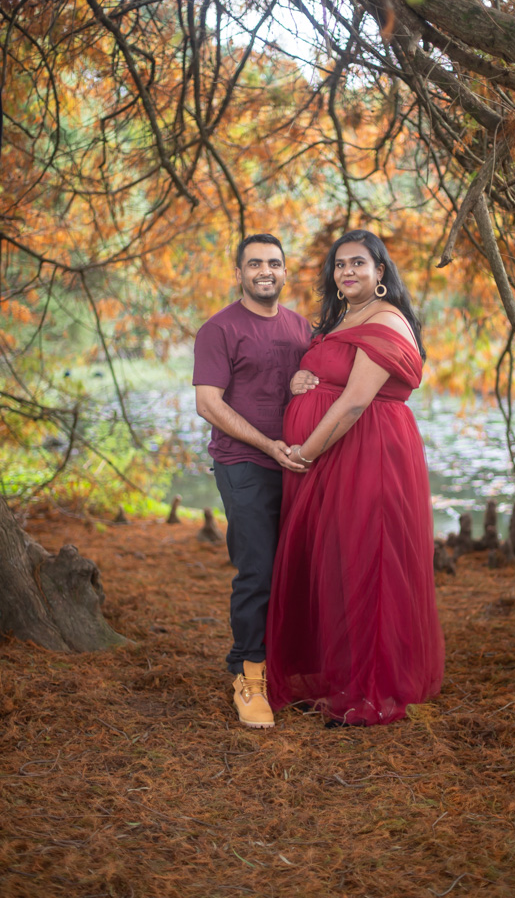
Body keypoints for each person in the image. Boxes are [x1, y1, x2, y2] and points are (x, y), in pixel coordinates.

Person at [265, 229, 445, 726]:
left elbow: (354, 401)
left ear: (379, 271)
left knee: (370, 562)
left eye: (358, 263)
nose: (347, 271)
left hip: (368, 452)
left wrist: (304, 453)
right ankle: (342, 678)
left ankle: (374, 691)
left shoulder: (385, 319)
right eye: (340, 264)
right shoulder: (343, 317)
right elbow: (330, 376)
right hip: (335, 457)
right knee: (338, 563)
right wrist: (300, 379)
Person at [193, 234, 312, 729]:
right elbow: (208, 403)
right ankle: (248, 675)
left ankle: (287, 666)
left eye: (274, 263)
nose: (266, 271)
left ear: (285, 272)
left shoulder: (302, 327)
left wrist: (304, 385)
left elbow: (320, 382)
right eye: (255, 263)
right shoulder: (219, 329)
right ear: (239, 273)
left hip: (299, 462)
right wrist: (268, 444)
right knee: (258, 569)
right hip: (244, 462)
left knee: (298, 568)